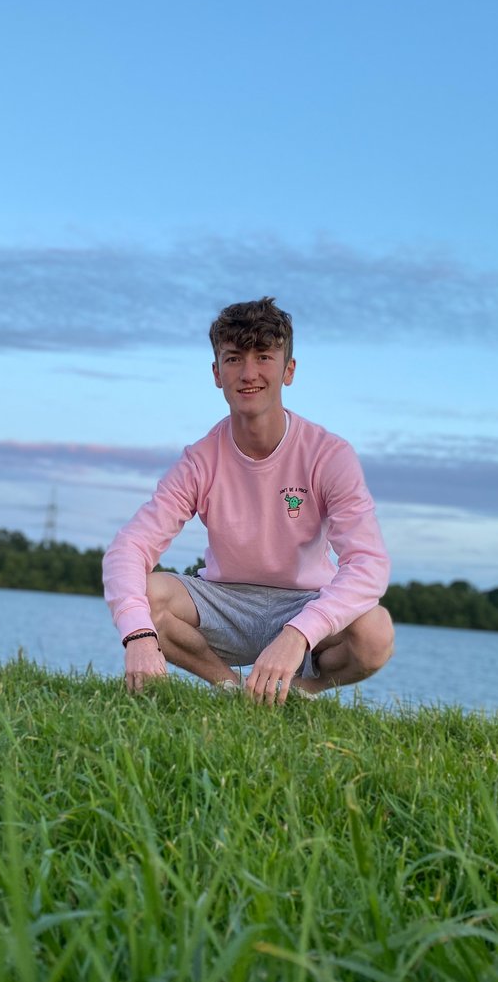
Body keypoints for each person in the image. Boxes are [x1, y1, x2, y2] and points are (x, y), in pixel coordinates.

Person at [102, 297, 394, 705]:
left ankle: (299, 693)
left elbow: (368, 564)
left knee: (375, 632)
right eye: (234, 359)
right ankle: (231, 690)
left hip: (305, 603)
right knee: (147, 595)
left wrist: (299, 634)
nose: (249, 373)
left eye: (264, 357)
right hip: (225, 602)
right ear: (216, 373)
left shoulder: (329, 455)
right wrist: (137, 635)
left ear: (288, 370)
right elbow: (128, 548)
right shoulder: (200, 460)